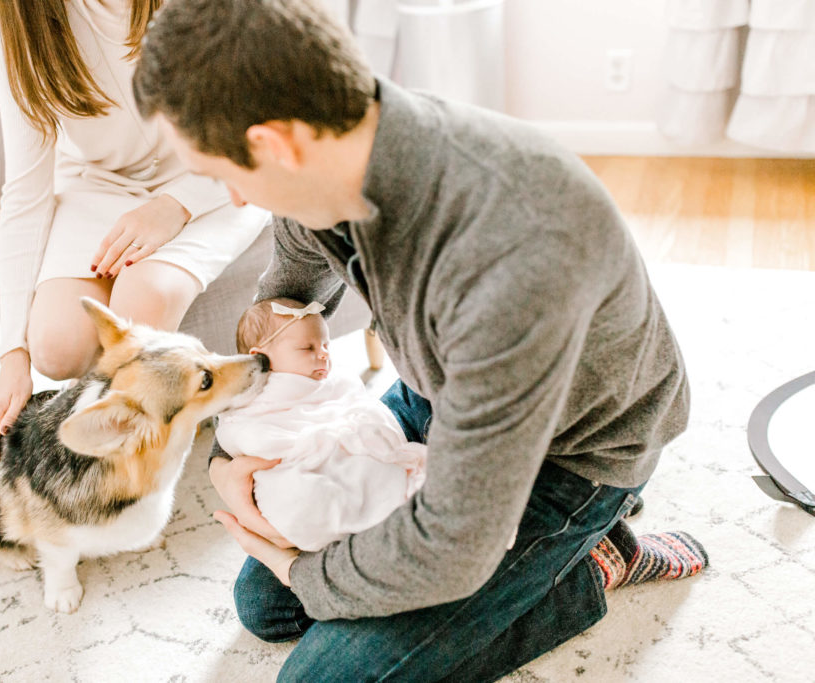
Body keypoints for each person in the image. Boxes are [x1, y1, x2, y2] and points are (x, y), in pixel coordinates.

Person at [133, 1, 710, 679]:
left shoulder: (513, 254)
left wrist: (301, 569)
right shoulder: (329, 165)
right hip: (439, 393)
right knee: (268, 606)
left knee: (319, 669)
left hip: (571, 452)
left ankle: (588, 562)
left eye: (225, 174)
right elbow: (272, 325)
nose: (234, 199)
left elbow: (454, 544)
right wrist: (228, 466)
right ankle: (531, 570)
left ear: (277, 144)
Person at [0, 0, 268, 478]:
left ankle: (139, 472)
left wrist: (175, 205)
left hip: (214, 169)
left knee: (144, 298)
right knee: (55, 347)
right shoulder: (13, 15)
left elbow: (261, 116)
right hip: (98, 182)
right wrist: (11, 357)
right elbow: (25, 191)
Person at [215, 297, 426, 552]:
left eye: (326, 345)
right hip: (295, 462)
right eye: (307, 348)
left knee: (371, 470)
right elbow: (241, 433)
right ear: (260, 358)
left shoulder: (332, 382)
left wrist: (348, 431)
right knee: (300, 499)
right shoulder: (250, 400)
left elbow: (353, 399)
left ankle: (386, 506)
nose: (324, 354)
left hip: (342, 445)